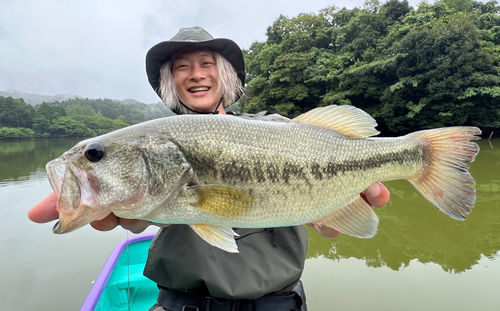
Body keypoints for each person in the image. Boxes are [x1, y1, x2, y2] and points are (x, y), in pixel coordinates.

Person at [28, 27, 390, 311]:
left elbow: (330, 231)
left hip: (278, 306)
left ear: (227, 74)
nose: (195, 74)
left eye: (207, 63)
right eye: (182, 67)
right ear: (171, 82)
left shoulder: (283, 129)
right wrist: (134, 209)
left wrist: (330, 213)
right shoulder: (156, 143)